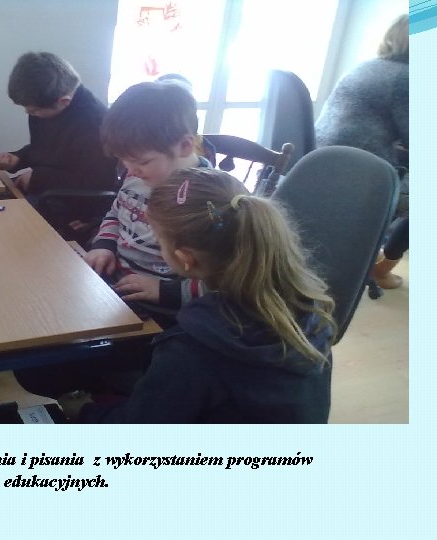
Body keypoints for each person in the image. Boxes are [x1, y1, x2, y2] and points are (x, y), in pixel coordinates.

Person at [58, 167, 337, 423]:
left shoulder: (188, 349)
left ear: (184, 259)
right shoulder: (312, 309)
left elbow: (142, 427)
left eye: (158, 240)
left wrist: (84, 411)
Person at [84, 81, 212, 323]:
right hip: (118, 283)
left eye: (142, 162)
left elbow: (227, 281)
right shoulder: (138, 176)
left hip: (166, 309)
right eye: (124, 160)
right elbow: (117, 213)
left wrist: (165, 291)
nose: (131, 170)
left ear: (185, 145)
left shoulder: (209, 200)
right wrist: (104, 245)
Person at [315, 15, 409, 289]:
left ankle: (375, 255)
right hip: (361, 176)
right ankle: (380, 269)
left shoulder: (366, 67)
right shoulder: (406, 77)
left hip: (320, 164)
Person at [0, 51, 118, 207]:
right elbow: (49, 148)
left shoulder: (95, 123)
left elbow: (97, 182)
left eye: (34, 111)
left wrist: (37, 178)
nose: (29, 113)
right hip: (47, 188)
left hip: (75, 202)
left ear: (63, 101)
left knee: (4, 211)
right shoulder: (48, 104)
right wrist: (18, 158)